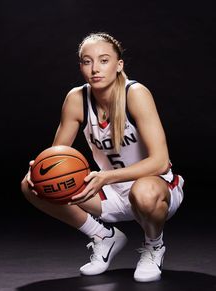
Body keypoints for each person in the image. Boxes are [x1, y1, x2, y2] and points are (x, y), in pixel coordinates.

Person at [21, 32, 184, 282]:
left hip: (155, 190)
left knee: (143, 191)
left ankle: (154, 246)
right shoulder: (77, 99)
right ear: (81, 66)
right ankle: (102, 236)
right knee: (31, 185)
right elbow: (56, 156)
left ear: (119, 65)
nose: (95, 68)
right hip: (109, 192)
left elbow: (160, 161)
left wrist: (106, 177)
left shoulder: (136, 94)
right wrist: (42, 170)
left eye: (104, 60)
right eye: (87, 61)